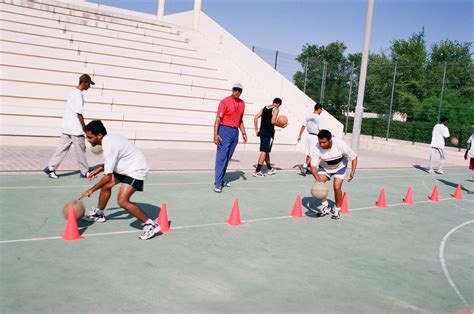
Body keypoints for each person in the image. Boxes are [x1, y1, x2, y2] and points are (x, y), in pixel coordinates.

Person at [79, 120, 160, 240]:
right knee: (106, 187)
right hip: (124, 167)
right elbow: (111, 161)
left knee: (122, 201)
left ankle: (150, 224)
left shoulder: (109, 144)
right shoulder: (108, 139)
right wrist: (99, 169)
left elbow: (107, 177)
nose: (88, 140)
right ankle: (99, 213)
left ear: (99, 135)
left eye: (90, 137)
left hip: (135, 169)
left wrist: (91, 190)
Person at [43, 74, 94, 179]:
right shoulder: (78, 94)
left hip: (67, 127)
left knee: (62, 149)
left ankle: (50, 167)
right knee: (80, 150)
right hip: (75, 128)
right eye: (89, 84)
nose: (90, 86)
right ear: (85, 83)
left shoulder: (72, 92)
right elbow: (79, 113)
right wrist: (85, 128)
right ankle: (84, 172)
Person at [310, 129, 357, 219]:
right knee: (318, 185)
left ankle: (337, 209)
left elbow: (354, 157)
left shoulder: (340, 145)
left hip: (340, 166)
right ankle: (326, 206)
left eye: (324, 142)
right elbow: (313, 167)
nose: (321, 145)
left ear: (330, 139)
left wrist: (352, 171)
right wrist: (318, 180)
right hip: (325, 167)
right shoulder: (317, 147)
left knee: (337, 187)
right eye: (320, 142)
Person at [213, 83, 248, 193]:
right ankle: (217, 183)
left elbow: (240, 119)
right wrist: (215, 134)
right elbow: (218, 119)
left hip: (234, 132)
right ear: (232, 90)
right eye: (235, 89)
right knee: (221, 158)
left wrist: (243, 132)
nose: (237, 92)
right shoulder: (225, 101)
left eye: (239, 90)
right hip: (224, 130)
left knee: (227, 158)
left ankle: (221, 179)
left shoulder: (242, 103)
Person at [253, 98, 287, 177]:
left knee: (266, 151)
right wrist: (282, 125)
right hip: (269, 133)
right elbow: (273, 121)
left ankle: (269, 168)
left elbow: (255, 118)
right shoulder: (276, 109)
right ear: (279, 104)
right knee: (264, 151)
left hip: (262, 132)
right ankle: (257, 171)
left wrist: (256, 130)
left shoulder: (265, 107)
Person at [297, 102, 323, 176]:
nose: (321, 112)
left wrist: (299, 135)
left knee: (308, 154)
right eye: (321, 110)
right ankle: (304, 166)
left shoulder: (308, 116)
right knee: (314, 154)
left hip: (308, 136)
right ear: (319, 109)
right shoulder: (319, 117)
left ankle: (308, 169)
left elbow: (303, 126)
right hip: (315, 137)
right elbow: (320, 129)